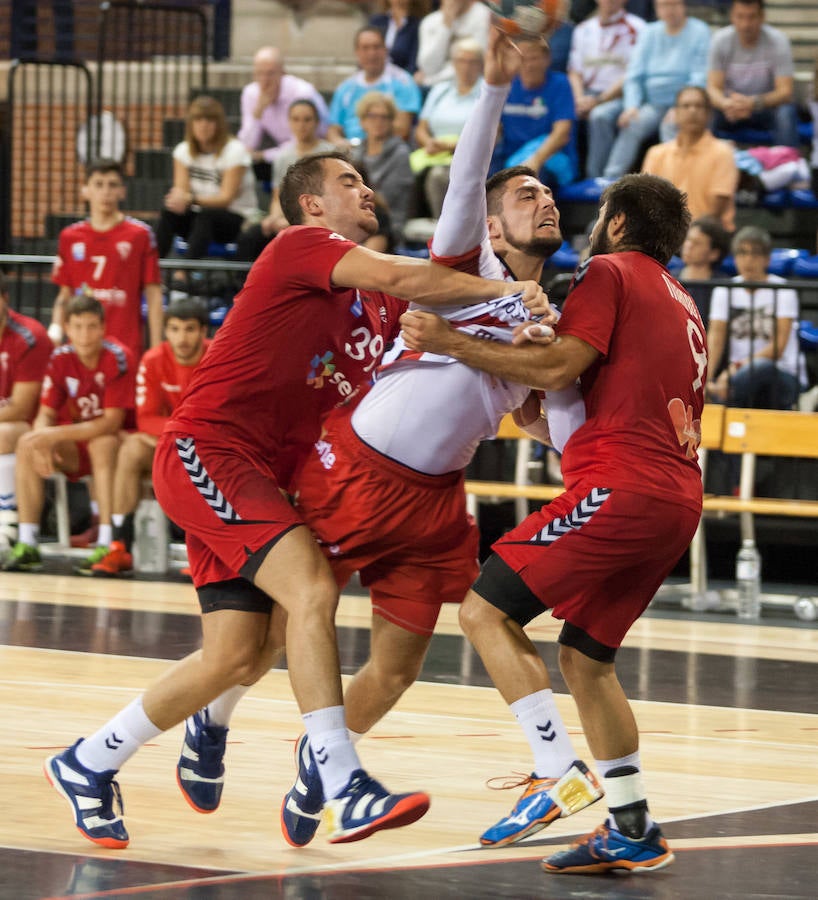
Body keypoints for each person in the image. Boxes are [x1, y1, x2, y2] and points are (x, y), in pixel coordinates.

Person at [42, 150, 547, 850]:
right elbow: (416, 274)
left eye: (366, 181)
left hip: (265, 475)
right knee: (311, 589)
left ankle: (88, 762)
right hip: (209, 451)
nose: (366, 190)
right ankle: (342, 782)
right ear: (312, 204)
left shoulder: (373, 303)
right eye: (349, 182)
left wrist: (520, 323)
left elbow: (441, 308)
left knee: (239, 656)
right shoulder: (300, 247)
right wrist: (509, 295)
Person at [189, 26, 584, 850]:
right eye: (526, 196)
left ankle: (318, 763)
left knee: (401, 665)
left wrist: (563, 432)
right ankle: (212, 718)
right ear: (494, 230)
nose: (543, 200)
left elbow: (535, 414)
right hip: (358, 468)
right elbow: (469, 174)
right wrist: (494, 91)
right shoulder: (466, 268)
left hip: (437, 495)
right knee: (272, 621)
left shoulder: (553, 317)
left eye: (551, 195)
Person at [399, 172, 703, 873]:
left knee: (483, 612)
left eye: (601, 214)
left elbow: (566, 363)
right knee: (585, 661)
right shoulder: (678, 296)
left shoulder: (607, 270)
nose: (587, 222)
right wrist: (538, 387)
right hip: (675, 497)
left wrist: (452, 341)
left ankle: (556, 771)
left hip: (622, 488)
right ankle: (633, 828)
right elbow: (581, 395)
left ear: (619, 224)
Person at [4, 296, 135, 574]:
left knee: (102, 442)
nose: (84, 335)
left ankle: (106, 542)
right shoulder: (60, 357)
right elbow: (45, 413)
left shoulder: (118, 357)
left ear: (103, 328)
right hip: (78, 445)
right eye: (78, 326)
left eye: (91, 326)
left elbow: (111, 423)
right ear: (66, 327)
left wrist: (51, 435)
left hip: (118, 447)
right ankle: (27, 543)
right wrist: (41, 438)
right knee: (28, 441)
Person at [89, 297, 210, 577]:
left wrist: (183, 435)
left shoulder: (218, 358)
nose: (182, 338)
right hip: (172, 440)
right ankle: (120, 545)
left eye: (190, 329)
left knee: (210, 455)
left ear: (204, 332)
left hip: (208, 444)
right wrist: (180, 435)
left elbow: (218, 419)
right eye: (175, 329)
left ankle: (207, 552)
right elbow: (146, 419)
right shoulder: (153, 359)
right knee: (131, 448)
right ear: (165, 331)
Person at [50, 159, 163, 364]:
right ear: (86, 190)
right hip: (80, 345)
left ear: (122, 191)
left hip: (125, 345)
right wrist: (55, 333)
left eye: (112, 185)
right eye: (99, 184)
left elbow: (154, 296)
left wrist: (156, 351)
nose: (106, 192)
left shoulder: (140, 235)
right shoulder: (70, 236)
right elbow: (64, 295)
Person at [602, 0, 710, 179]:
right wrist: (632, 106)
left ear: (683, 6)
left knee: (671, 125)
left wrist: (680, 107)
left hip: (685, 102)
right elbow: (634, 76)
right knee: (631, 123)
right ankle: (609, 181)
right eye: (664, 5)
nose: (670, 10)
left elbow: (700, 75)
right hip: (652, 103)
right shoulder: (648, 32)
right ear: (657, 9)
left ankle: (673, 184)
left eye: (674, 4)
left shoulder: (700, 31)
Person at [706, 225, 805, 409]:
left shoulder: (783, 289)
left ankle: (723, 403)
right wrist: (706, 379)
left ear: (767, 259)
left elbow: (778, 347)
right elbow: (715, 339)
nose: (748, 260)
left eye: (755, 254)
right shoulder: (724, 290)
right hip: (738, 379)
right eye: (742, 253)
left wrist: (734, 369)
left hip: (783, 374)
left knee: (760, 368)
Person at [155, 95, 258, 264]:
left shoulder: (235, 151)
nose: (203, 125)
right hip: (199, 219)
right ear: (191, 125)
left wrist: (190, 199)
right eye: (198, 120)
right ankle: (153, 269)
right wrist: (178, 199)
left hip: (236, 220)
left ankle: (184, 273)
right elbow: (182, 193)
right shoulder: (183, 151)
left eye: (209, 120)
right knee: (169, 212)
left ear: (219, 125)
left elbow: (226, 199)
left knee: (207, 216)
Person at [236, 98, 335, 262]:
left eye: (307, 119)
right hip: (289, 218)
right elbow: (278, 197)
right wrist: (275, 218)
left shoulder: (330, 154)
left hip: (321, 219)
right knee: (250, 237)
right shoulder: (282, 156)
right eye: (296, 119)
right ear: (289, 122)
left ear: (317, 122)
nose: (301, 125)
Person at [0, 270, 52, 561]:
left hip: (34, 425)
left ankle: (6, 524)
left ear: (6, 299)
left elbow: (21, 407)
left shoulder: (30, 336)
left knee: (5, 433)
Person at [641, 86, 738, 231]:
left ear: (709, 114)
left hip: (709, 237)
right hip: (664, 237)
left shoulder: (723, 152)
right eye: (686, 106)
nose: (692, 111)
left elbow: (715, 211)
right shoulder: (656, 154)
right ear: (675, 112)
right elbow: (647, 202)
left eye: (698, 106)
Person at [567, 0, 645, 178]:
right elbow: (574, 71)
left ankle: (595, 180)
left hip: (619, 96)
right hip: (585, 94)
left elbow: (632, 74)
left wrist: (599, 100)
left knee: (599, 116)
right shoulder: (583, 29)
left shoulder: (638, 27)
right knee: (563, 114)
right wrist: (579, 99)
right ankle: (566, 178)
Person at [706, 0, 798, 148]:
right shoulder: (720, 40)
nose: (745, 24)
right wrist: (726, 104)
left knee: (786, 112)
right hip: (730, 108)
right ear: (732, 16)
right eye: (740, 16)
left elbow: (785, 91)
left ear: (762, 17)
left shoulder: (778, 41)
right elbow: (713, 88)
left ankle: (788, 163)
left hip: (765, 108)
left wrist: (752, 103)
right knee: (703, 110)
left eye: (751, 17)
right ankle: (703, 160)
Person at [495, 35, 578, 191]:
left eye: (534, 58)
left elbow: (562, 133)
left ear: (547, 59)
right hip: (509, 157)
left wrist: (535, 160)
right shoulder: (508, 84)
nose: (528, 65)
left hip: (548, 158)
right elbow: (494, 130)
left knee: (531, 181)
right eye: (523, 59)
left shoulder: (560, 84)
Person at [412, 38, 484, 219]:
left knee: (439, 176)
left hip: (470, 155)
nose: (466, 66)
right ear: (453, 63)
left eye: (472, 61)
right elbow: (421, 128)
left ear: (480, 64)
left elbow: (490, 133)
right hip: (434, 152)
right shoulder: (440, 90)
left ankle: (444, 229)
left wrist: (449, 147)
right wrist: (430, 143)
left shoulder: (486, 92)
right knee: (402, 170)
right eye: (461, 60)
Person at [237, 46, 329, 182]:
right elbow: (246, 145)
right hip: (280, 156)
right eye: (259, 74)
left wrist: (264, 155)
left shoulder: (302, 92)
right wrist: (258, 112)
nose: (264, 80)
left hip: (312, 152)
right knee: (243, 163)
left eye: (270, 74)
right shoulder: (251, 93)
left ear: (283, 73)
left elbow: (304, 138)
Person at [327, 26, 423, 146]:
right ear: (357, 52)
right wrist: (340, 143)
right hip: (350, 149)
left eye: (376, 47)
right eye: (365, 48)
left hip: (387, 150)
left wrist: (368, 147)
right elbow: (333, 129)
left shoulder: (403, 81)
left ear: (385, 50)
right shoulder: (345, 87)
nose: (372, 53)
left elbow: (402, 129)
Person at [351, 92, 414, 244]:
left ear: (391, 121)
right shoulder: (356, 153)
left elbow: (388, 200)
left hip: (388, 222)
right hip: (355, 217)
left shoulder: (400, 153)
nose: (378, 122)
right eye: (372, 116)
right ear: (362, 121)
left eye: (384, 117)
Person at [415, 0, 491, 87]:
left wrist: (430, 80)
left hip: (472, 86)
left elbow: (473, 66)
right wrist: (446, 26)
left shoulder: (484, 17)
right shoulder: (429, 21)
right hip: (434, 88)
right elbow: (428, 68)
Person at [678, 215, 731, 327]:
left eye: (697, 243)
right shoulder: (669, 277)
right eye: (688, 239)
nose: (688, 246)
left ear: (714, 254)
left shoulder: (723, 285)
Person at [369, 0, 425, 74]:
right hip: (375, 74)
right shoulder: (377, 21)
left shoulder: (417, 25)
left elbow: (413, 62)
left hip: (401, 77)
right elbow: (366, 50)